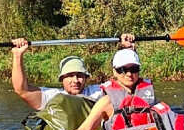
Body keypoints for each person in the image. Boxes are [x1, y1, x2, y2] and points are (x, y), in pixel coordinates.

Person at [9, 34, 138, 110]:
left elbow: (127, 81)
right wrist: (17, 55)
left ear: (86, 78)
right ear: (61, 79)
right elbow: (22, 90)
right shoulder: (52, 96)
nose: (75, 80)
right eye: (70, 76)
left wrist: (129, 49)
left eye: (80, 76)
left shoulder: (98, 92)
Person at [67, 47, 158, 130]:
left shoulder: (149, 94)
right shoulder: (106, 101)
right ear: (114, 72)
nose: (129, 74)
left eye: (134, 69)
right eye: (122, 70)